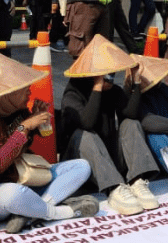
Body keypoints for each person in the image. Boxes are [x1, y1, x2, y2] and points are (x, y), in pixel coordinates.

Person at [0, 52, 97, 233]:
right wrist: (24, 127)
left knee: (82, 167)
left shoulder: (15, 110)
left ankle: (30, 212)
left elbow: (44, 136)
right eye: (23, 87)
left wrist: (39, 120)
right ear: (5, 93)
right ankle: (60, 211)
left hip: (27, 181)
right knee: (13, 196)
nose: (29, 90)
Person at [60, 35, 160, 215]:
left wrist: (136, 82)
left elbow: (131, 113)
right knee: (85, 134)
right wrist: (97, 87)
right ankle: (114, 189)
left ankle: (137, 180)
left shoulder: (113, 91)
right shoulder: (72, 93)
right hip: (83, 163)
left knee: (130, 123)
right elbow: (87, 123)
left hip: (109, 160)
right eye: (106, 74)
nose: (111, 78)